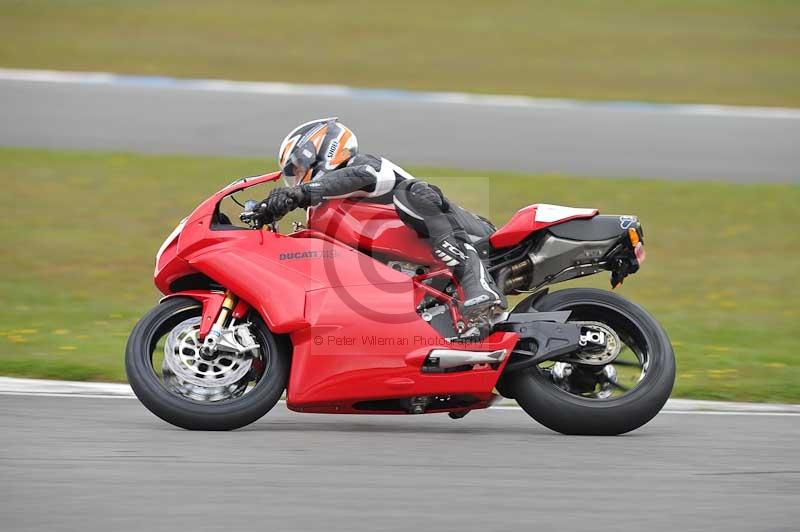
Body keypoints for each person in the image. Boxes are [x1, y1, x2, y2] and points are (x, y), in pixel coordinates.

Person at [258, 117, 507, 325]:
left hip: (475, 233)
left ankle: (480, 285)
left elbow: (360, 177)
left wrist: (299, 193)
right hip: (422, 273)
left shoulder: (364, 165)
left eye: (300, 167)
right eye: (295, 175)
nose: (299, 178)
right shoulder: (325, 208)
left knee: (410, 193)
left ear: (323, 149)